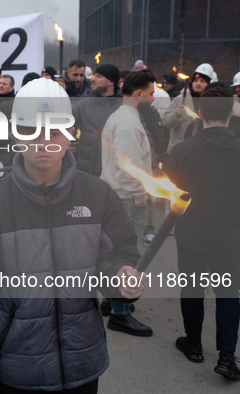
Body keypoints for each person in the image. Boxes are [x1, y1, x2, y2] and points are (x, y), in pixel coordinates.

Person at [0, 78, 145, 394]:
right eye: (32, 131)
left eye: (54, 132)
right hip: (18, 368)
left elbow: (119, 255)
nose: (43, 143)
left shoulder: (98, 195)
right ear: (16, 133)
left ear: (70, 134)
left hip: (83, 363)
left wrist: (122, 277)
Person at [164, 86, 240, 381]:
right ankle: (227, 355)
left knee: (192, 290)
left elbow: (171, 188)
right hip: (228, 233)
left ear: (199, 113)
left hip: (191, 232)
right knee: (228, 295)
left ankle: (194, 344)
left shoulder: (182, 150)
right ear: (230, 112)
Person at [99, 70, 155, 337]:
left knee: (115, 252)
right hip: (126, 197)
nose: (154, 98)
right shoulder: (129, 123)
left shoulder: (120, 116)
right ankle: (121, 312)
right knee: (129, 255)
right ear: (140, 93)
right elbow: (129, 169)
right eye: (152, 93)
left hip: (116, 194)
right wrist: (141, 197)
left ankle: (112, 301)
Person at [73, 64, 123, 176]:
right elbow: (65, 116)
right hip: (86, 173)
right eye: (94, 76)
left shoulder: (125, 106)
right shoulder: (85, 104)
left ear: (111, 82)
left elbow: (143, 134)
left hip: (114, 175)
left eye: (99, 76)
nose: (93, 79)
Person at [163, 63, 213, 153]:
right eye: (196, 80)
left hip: (202, 151)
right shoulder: (180, 100)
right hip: (179, 151)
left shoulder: (212, 101)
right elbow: (166, 123)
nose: (198, 83)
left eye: (202, 81)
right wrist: (176, 114)